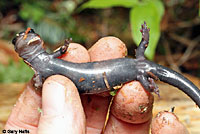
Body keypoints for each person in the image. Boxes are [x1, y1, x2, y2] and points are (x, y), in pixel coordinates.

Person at [4, 37, 188, 134]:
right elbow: (48, 68)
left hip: (121, 74)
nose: (26, 36)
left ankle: (150, 86)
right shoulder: (43, 67)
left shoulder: (44, 67)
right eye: (18, 39)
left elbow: (61, 52)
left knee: (137, 89)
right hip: (107, 77)